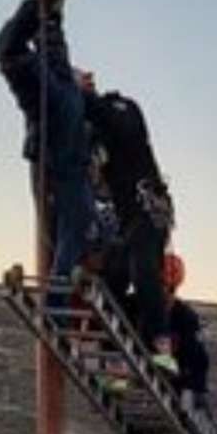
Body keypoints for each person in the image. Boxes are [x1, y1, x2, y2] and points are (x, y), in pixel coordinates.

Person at [0, 0, 96, 284]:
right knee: (19, 45)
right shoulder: (80, 187)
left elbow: (73, 228)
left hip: (57, 110)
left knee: (31, 39)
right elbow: (73, 230)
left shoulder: (80, 185)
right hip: (56, 115)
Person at [83, 79, 179, 375]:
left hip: (148, 211)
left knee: (143, 273)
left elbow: (116, 122)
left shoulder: (119, 111)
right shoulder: (105, 131)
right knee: (113, 276)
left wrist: (82, 94)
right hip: (135, 219)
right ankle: (115, 358)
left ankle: (161, 350)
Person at [163, 253, 216, 422]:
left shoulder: (185, 317)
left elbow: (198, 359)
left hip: (175, 381)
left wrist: (194, 389)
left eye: (166, 287)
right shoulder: (135, 307)